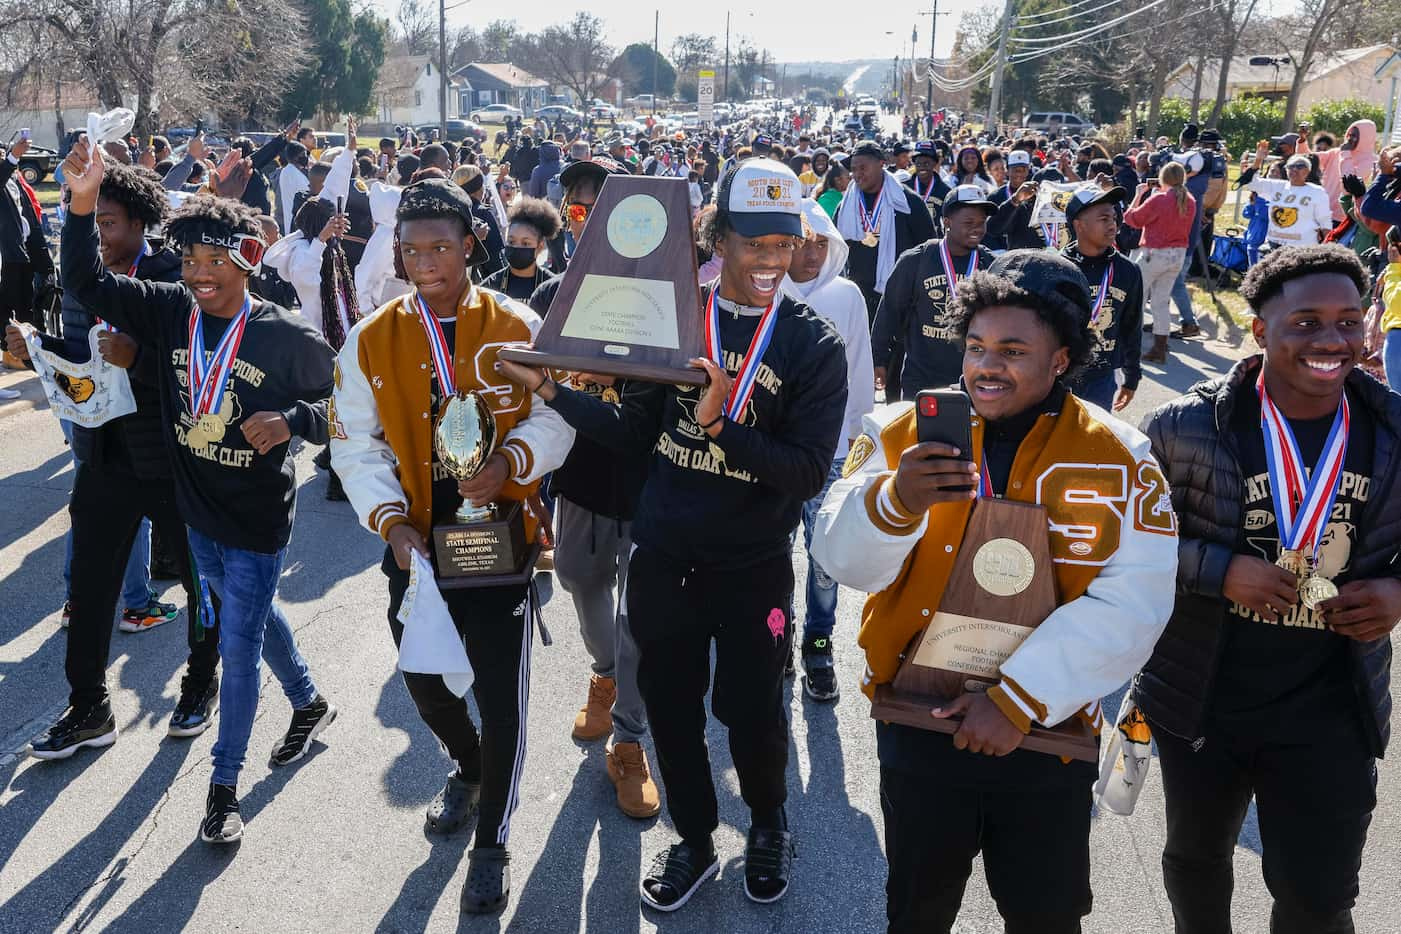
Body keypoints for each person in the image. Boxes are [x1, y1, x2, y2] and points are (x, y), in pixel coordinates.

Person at [496, 158, 848, 912]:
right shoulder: (677, 322)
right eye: (753, 242)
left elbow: (807, 472)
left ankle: (766, 822)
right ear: (716, 237)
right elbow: (630, 432)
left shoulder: (812, 343)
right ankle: (692, 835)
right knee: (670, 707)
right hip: (663, 558)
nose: (770, 260)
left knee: (753, 711)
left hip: (753, 566)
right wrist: (553, 391)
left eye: (784, 244)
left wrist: (723, 425)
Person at [813, 249, 1177, 934]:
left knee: (1045, 914)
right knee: (917, 907)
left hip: (1044, 733)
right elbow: (839, 561)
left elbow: (1137, 601)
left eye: (1012, 349)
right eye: (975, 345)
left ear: (1061, 359)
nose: (985, 365)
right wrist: (894, 502)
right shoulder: (896, 432)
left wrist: (1013, 702)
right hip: (919, 720)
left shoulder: (1121, 455)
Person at [58, 137, 339, 847]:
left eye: (215, 261)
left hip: (255, 519)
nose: (200, 275)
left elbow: (354, 410)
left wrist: (295, 419)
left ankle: (222, 788)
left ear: (247, 259)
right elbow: (87, 284)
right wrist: (82, 206)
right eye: (189, 262)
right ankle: (308, 701)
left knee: (237, 645)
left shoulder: (285, 336)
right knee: (251, 616)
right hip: (195, 515)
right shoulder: (170, 309)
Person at [1137, 244, 1401, 934]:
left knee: (1317, 900)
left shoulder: (1394, 430)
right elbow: (1121, 548)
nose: (1330, 340)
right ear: (1259, 331)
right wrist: (1218, 570)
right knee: (1195, 862)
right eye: (1305, 322)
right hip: (1201, 695)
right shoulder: (1180, 429)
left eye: (1348, 322)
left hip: (1331, 705)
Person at [331, 178, 573, 914]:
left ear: (470, 245)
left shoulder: (517, 322)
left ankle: (492, 844)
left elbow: (558, 418)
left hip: (500, 543)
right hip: (416, 548)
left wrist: (509, 463)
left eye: (441, 246)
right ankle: (467, 769)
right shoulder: (372, 336)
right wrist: (392, 524)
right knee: (425, 683)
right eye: (412, 250)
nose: (426, 261)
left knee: (502, 702)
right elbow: (353, 444)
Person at [12, 159, 224, 758]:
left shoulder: (178, 276)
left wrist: (145, 358)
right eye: (93, 221)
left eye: (107, 222)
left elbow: (205, 360)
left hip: (175, 459)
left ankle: (200, 683)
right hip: (107, 456)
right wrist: (39, 347)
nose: (100, 234)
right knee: (89, 583)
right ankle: (88, 708)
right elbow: (87, 351)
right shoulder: (94, 274)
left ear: (139, 223)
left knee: (199, 582)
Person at [522, 154, 660, 820]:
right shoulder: (550, 296)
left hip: (647, 485)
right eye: (576, 209)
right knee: (578, 579)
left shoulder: (664, 299)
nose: (587, 221)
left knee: (639, 620)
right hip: (577, 480)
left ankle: (629, 741)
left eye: (601, 208)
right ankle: (605, 675)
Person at [783, 198, 874, 702]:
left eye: (822, 242)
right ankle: (776, 636)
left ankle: (817, 644)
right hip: (774, 450)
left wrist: (858, 447)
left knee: (825, 559)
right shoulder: (765, 291)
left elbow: (860, 370)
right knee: (775, 553)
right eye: (802, 242)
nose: (812, 253)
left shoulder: (848, 297)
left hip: (833, 451)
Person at [871, 185, 997, 401]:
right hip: (921, 380)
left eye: (981, 223)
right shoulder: (916, 260)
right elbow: (889, 313)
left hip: (973, 379)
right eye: (968, 223)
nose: (977, 229)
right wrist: (877, 361)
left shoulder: (991, 264)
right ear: (947, 222)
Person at [1061, 185, 1143, 411]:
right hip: (1059, 376)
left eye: (1114, 218)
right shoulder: (1058, 268)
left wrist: (1132, 376)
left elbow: (1132, 326)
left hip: (1101, 377)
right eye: (1104, 218)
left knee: (1094, 441)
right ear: (1079, 225)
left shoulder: (1128, 270)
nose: (1113, 225)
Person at [836, 141, 936, 325]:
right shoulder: (845, 206)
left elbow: (929, 247)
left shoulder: (907, 202)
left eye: (863, 168)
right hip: (859, 293)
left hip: (901, 293)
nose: (857, 174)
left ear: (881, 163)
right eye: (854, 169)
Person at [1124, 161, 1195, 364]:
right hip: (1177, 254)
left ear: (1163, 178)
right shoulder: (1189, 200)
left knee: (1136, 298)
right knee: (1160, 301)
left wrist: (1139, 194)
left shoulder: (1159, 199)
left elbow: (1132, 219)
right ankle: (1159, 348)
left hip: (1155, 253)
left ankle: (1130, 343)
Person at [0, 136, 55, 330]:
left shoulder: (13, 179)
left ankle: (33, 351)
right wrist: (12, 159)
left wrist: (43, 259)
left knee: (30, 307)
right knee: (7, 309)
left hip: (24, 250)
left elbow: (29, 216)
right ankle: (11, 352)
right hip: (7, 256)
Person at [1246, 143, 1334, 250]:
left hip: (1302, 248)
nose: (1294, 169)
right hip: (1274, 246)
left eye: (1300, 166)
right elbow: (1252, 184)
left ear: (1307, 171)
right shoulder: (1277, 186)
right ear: (1286, 171)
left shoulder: (1317, 192)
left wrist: (1328, 247)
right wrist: (1258, 159)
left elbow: (1325, 222)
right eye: (1291, 166)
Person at [479, 196, 560, 302]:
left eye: (525, 243)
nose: (517, 248)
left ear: (540, 246)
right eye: (511, 242)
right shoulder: (490, 286)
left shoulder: (553, 287)